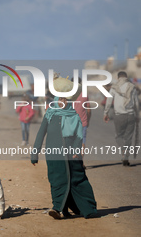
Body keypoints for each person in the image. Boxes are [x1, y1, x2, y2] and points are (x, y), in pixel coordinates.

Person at [32, 77, 97, 220]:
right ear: (56, 99)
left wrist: (75, 150)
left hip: (71, 154)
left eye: (65, 99)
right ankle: (58, 208)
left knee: (77, 180)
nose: (63, 102)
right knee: (57, 180)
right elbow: (41, 134)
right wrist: (34, 153)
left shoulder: (74, 116)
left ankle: (88, 208)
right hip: (54, 154)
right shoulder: (50, 115)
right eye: (61, 99)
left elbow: (78, 136)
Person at [103, 71, 139, 166]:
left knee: (118, 136)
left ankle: (123, 151)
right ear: (126, 77)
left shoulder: (114, 87)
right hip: (131, 115)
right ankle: (126, 155)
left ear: (118, 78)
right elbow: (136, 102)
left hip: (119, 116)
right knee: (128, 137)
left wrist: (106, 113)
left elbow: (109, 101)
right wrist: (138, 114)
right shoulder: (132, 87)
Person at [72, 77, 91, 169]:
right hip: (83, 122)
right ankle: (80, 162)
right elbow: (88, 109)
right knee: (82, 142)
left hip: (71, 123)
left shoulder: (68, 95)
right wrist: (88, 121)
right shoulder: (85, 94)